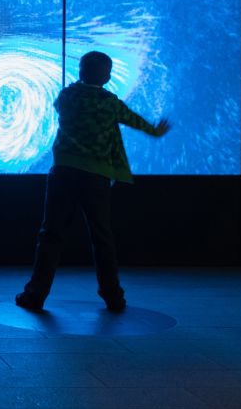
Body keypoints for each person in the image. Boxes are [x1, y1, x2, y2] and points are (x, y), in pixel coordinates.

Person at [15, 51, 170, 313]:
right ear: (108, 77)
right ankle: (114, 297)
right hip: (96, 177)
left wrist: (79, 84)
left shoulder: (67, 96)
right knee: (102, 237)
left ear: (80, 72)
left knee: (50, 235)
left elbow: (58, 105)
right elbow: (134, 120)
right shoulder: (110, 103)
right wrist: (155, 130)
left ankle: (35, 295)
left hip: (63, 173)